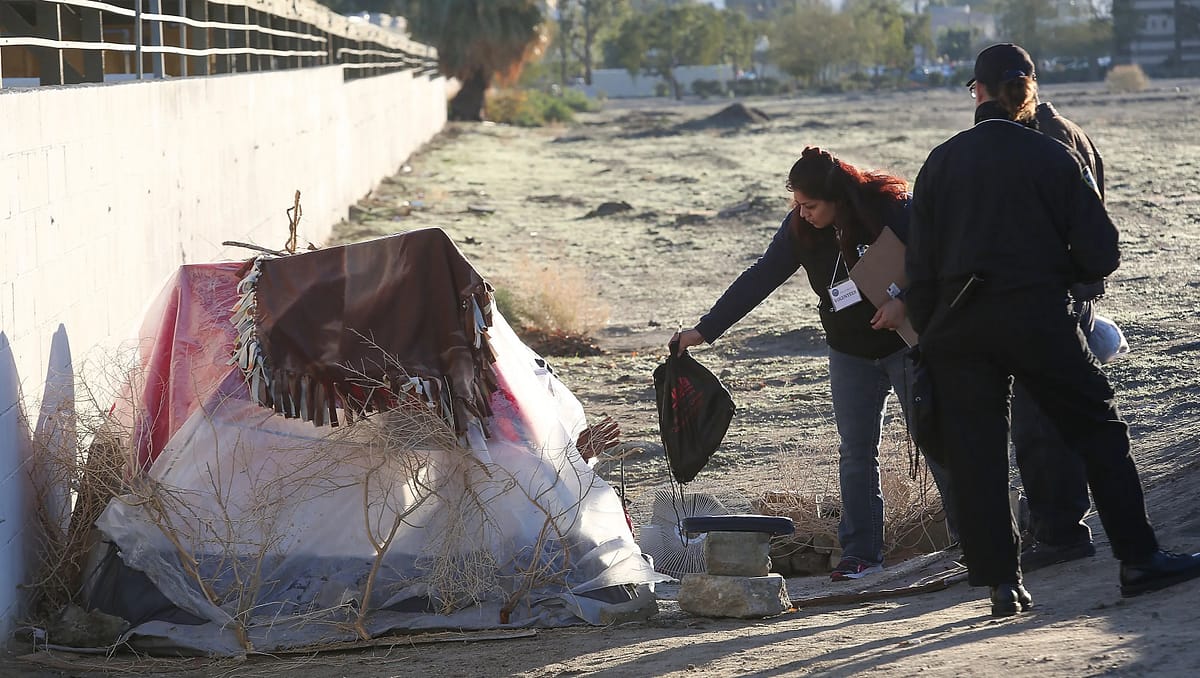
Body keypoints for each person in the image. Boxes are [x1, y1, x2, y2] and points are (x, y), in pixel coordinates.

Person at [906, 42, 1200, 616]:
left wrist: (936, 326)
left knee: (978, 452)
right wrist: (1054, 280)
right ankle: (1138, 559)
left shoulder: (941, 162)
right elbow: (1102, 252)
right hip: (1040, 319)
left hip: (959, 330)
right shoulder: (1054, 156)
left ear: (979, 92)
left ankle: (1001, 585)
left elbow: (919, 271)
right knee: (1098, 431)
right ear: (1029, 91)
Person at [671, 147, 957, 582]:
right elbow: (762, 275)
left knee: (937, 436)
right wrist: (705, 330)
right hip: (849, 352)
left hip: (906, 344)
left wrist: (904, 303)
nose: (802, 214)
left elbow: (938, 260)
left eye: (811, 206)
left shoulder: (890, 208)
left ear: (838, 197)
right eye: (797, 205)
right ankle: (861, 554)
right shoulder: (799, 230)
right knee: (856, 450)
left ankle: (971, 539)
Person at [999, 53, 1108, 573]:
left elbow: (1084, 225)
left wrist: (1074, 286)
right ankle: (1055, 523)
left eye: (978, 89)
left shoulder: (1051, 140)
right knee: (1055, 414)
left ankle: (1062, 530)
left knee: (1043, 420)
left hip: (1053, 302)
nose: (974, 100)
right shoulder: (1057, 132)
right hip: (1059, 297)